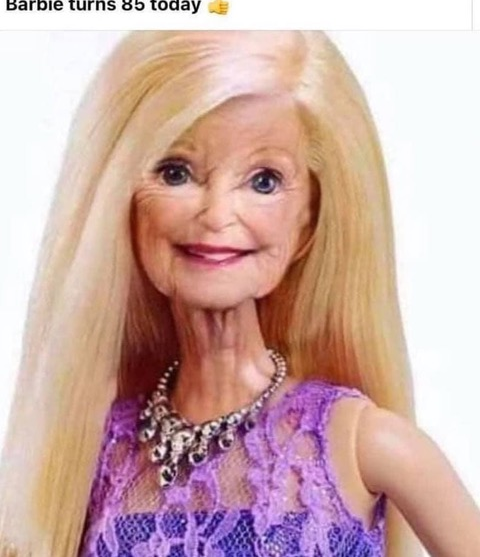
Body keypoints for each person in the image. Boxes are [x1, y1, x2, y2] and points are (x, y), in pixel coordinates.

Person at [1, 30, 479, 557]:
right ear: (124, 201)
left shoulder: (363, 444)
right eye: (176, 172)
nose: (216, 215)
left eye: (264, 181)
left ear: (307, 222)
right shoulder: (95, 453)